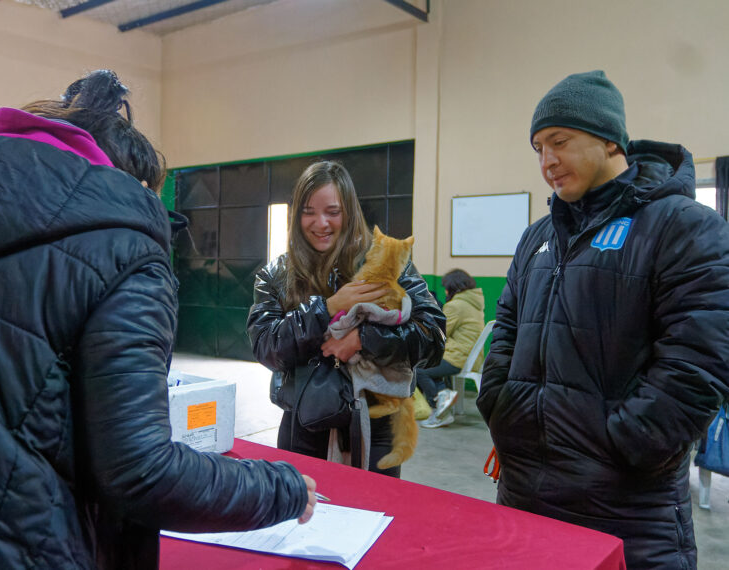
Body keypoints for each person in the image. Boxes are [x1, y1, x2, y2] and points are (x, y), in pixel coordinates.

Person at [0, 70, 316, 569]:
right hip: (9, 544)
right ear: (132, 185)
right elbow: (141, 472)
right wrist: (279, 488)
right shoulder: (124, 245)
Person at [476, 70, 729, 569]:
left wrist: (628, 443)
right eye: (538, 148)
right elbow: (506, 326)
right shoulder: (537, 238)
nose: (547, 162)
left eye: (560, 142)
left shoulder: (684, 226)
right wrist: (500, 405)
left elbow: (701, 361)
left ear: (610, 139)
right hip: (523, 497)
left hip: (627, 512)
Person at [248, 160, 445, 478]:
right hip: (302, 426)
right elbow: (265, 345)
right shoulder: (277, 273)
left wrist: (364, 339)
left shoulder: (386, 261)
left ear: (349, 212)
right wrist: (324, 310)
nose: (320, 222)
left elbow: (432, 336)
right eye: (308, 211)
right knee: (300, 520)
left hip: (375, 428)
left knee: (374, 515)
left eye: (333, 211)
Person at [417, 268, 485, 428]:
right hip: (469, 357)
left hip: (457, 358)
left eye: (446, 287)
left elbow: (440, 334)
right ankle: (443, 395)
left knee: (418, 369)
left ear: (452, 287)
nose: (445, 290)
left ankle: (438, 410)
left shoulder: (456, 305)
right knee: (430, 364)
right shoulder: (473, 303)